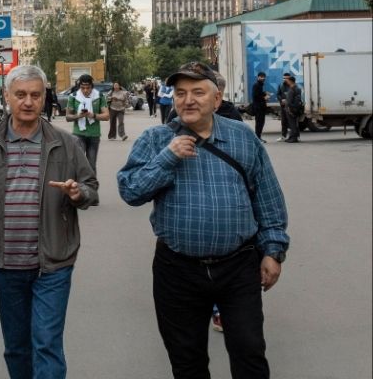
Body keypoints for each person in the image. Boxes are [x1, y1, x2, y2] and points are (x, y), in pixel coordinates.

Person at [118, 62, 289, 379]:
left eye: (198, 92)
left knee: (249, 353)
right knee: (187, 360)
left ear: (217, 99)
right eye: (180, 93)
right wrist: (168, 158)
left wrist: (273, 250)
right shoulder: (157, 139)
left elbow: (267, 198)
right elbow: (130, 191)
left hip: (238, 266)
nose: (188, 100)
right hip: (177, 270)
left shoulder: (242, 137)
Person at [0, 64, 98, 379]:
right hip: (7, 264)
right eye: (20, 95)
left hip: (54, 263)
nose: (28, 102)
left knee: (46, 344)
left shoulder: (65, 143)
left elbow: (91, 188)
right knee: (17, 347)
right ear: (7, 96)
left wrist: (78, 193)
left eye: (35, 95)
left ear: (44, 97)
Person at [65, 74, 108, 173]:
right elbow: (68, 117)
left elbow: (106, 116)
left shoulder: (99, 96)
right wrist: (79, 116)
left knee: (91, 165)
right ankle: (79, 183)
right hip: (78, 134)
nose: (85, 90)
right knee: (79, 164)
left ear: (92, 86)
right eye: (82, 88)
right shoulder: (73, 96)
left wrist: (92, 115)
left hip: (94, 135)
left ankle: (91, 183)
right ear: (79, 86)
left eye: (88, 88)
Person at [278, 73, 302, 143]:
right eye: (284, 78)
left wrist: (290, 107)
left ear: (291, 81)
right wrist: (282, 100)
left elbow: (293, 100)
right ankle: (290, 137)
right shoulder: (284, 86)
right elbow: (279, 94)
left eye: (287, 79)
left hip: (291, 109)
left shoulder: (294, 89)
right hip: (288, 108)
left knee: (293, 124)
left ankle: (294, 138)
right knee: (288, 123)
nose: (286, 80)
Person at [250, 72, 271, 142]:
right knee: (259, 123)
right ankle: (257, 138)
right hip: (258, 108)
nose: (263, 78)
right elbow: (255, 96)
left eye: (264, 77)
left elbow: (259, 93)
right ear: (258, 77)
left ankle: (258, 137)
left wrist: (265, 93)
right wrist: (264, 98)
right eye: (261, 77)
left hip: (261, 107)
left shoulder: (260, 85)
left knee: (261, 123)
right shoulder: (256, 85)